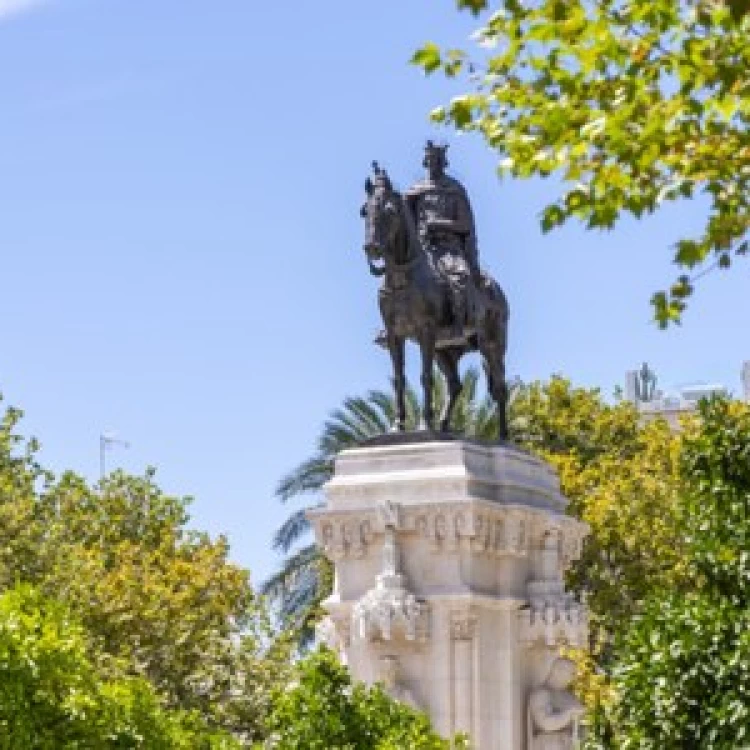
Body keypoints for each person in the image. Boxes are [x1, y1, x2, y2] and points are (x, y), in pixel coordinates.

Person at [405, 141, 481, 339]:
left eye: (437, 160)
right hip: (423, 250)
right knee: (397, 279)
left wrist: (438, 224)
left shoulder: (454, 190)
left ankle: (460, 323)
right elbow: (406, 222)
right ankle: (395, 327)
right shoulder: (416, 191)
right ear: (425, 162)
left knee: (460, 276)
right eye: (430, 160)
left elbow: (464, 224)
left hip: (449, 248)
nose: (433, 164)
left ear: (443, 162)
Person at [527, 657, 585, 749]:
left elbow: (577, 728)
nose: (572, 677)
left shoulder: (570, 697)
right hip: (549, 745)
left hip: (566, 744)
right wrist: (569, 713)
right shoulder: (541, 694)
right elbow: (546, 724)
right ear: (557, 671)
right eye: (571, 673)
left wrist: (580, 729)